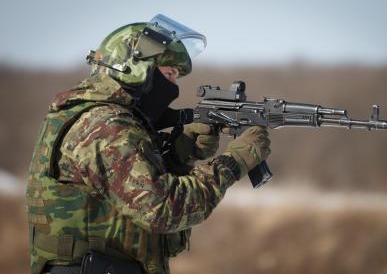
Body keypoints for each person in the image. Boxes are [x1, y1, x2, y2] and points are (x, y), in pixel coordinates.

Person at [26, 14, 271, 274]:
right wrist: (233, 163)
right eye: (169, 73)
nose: (174, 86)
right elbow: (164, 209)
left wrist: (180, 154)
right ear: (135, 69)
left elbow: (124, 199)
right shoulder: (105, 126)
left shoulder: (90, 117)